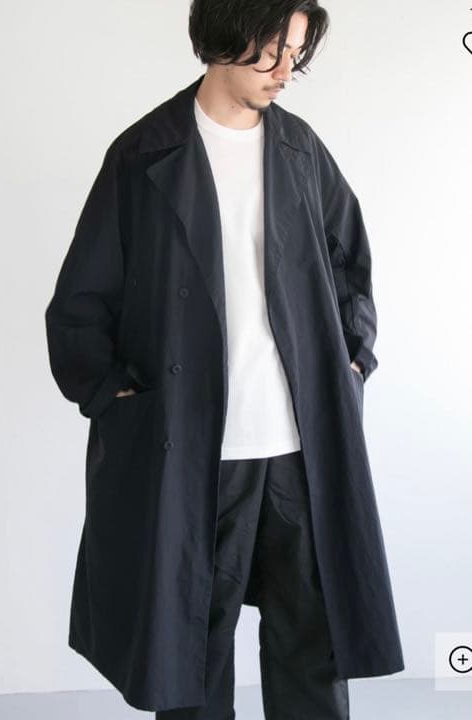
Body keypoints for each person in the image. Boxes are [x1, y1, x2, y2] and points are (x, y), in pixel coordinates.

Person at [45, 1, 405, 717]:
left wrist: (353, 362)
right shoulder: (144, 152)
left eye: (295, 54)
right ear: (224, 37)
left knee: (311, 642)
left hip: (296, 447)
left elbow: (351, 266)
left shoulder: (300, 149)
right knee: (190, 650)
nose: (285, 71)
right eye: (272, 50)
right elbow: (82, 297)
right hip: (190, 448)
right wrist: (110, 393)